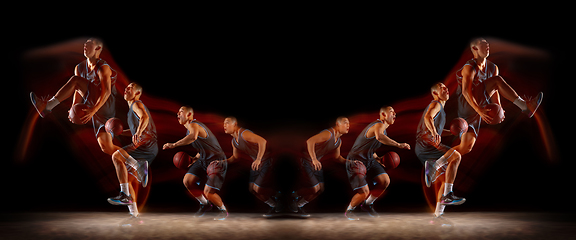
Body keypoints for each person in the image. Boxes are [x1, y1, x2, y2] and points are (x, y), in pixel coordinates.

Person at [29, 38, 120, 156]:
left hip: (104, 105)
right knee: (106, 147)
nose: (85, 45)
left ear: (98, 48)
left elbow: (107, 91)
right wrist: (74, 107)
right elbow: (78, 90)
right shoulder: (79, 68)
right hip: (95, 109)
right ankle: (135, 163)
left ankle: (47, 106)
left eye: (89, 43)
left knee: (75, 81)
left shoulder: (103, 67)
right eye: (85, 44)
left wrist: (94, 109)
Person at [454, 38, 543, 156]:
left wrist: (498, 107)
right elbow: (465, 91)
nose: (487, 45)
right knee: (497, 80)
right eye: (483, 43)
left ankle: (437, 163)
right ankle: (525, 106)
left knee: (466, 147)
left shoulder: (493, 68)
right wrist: (478, 109)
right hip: (468, 105)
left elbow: (494, 90)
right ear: (475, 48)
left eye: (488, 44)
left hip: (477, 109)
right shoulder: (469, 67)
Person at [345, 106, 410, 220]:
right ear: (383, 115)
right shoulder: (378, 125)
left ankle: (367, 204)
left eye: (395, 112)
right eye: (391, 111)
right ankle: (349, 211)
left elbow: (370, 148)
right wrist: (399, 145)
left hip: (369, 159)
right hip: (356, 161)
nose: (394, 114)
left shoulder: (382, 128)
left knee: (385, 181)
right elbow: (380, 137)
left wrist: (378, 158)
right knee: (364, 193)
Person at [163, 106, 228, 221]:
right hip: (203, 159)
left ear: (189, 115)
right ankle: (205, 204)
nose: (178, 114)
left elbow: (192, 137)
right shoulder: (190, 128)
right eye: (177, 112)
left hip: (216, 161)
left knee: (208, 193)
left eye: (181, 112)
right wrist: (194, 159)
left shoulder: (194, 125)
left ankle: (223, 210)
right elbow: (203, 147)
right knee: (187, 181)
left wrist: (173, 145)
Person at [106, 83, 158, 226]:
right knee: (126, 179)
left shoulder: (136, 104)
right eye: (126, 87)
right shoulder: (132, 109)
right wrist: (122, 132)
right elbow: (136, 128)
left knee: (116, 156)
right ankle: (134, 215)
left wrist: (139, 132)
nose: (126, 88)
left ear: (137, 93)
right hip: (149, 146)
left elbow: (145, 117)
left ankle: (138, 167)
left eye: (131, 87)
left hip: (146, 143)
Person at [415, 83, 465, 224]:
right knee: (456, 156)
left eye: (446, 87)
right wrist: (434, 132)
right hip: (427, 143)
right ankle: (434, 167)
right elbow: (427, 118)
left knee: (445, 179)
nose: (446, 89)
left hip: (425, 145)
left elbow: (435, 126)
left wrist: (451, 132)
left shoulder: (441, 109)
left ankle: (438, 215)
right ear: (435, 93)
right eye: (442, 88)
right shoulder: (436, 104)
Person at [294, 117, 350, 217]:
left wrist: (351, 162)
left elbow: (337, 158)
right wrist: (314, 159)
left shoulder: (338, 141)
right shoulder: (328, 134)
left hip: (315, 162)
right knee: (314, 188)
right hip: (306, 159)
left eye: (349, 123)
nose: (348, 125)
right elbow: (310, 141)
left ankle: (297, 206)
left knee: (319, 189)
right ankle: (289, 198)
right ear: (337, 124)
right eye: (345, 123)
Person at [223, 117, 276, 217]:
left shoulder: (244, 134)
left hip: (266, 160)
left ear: (235, 124)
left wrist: (259, 159)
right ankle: (275, 206)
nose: (224, 125)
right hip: (257, 164)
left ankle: (281, 202)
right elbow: (235, 157)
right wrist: (221, 162)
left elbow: (262, 141)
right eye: (224, 124)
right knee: (253, 189)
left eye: (227, 123)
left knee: (258, 188)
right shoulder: (234, 141)